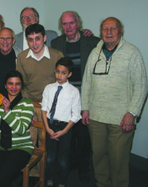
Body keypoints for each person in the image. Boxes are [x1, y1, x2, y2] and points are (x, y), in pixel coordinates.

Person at [81, 17, 148, 187]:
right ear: (100, 32)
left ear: (121, 30)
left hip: (121, 119)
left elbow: (141, 86)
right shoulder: (94, 53)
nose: (109, 32)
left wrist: (132, 113)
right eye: (105, 29)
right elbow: (86, 82)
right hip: (96, 118)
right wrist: (85, 108)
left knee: (118, 162)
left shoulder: (132, 52)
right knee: (98, 159)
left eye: (113, 29)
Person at [51, 11, 100, 183]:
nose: (68, 27)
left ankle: (84, 168)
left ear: (78, 23)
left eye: (71, 23)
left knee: (84, 137)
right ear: (61, 26)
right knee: (68, 136)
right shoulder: (56, 43)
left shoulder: (92, 42)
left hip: (85, 99)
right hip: (66, 99)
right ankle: (70, 164)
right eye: (64, 24)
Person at [16, 23, 63, 178]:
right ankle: (31, 176)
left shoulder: (57, 55)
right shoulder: (22, 57)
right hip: (31, 104)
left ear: (44, 38)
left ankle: (48, 176)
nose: (34, 43)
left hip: (51, 107)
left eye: (37, 39)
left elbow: (62, 84)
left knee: (49, 145)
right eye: (30, 40)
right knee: (30, 143)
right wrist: (28, 108)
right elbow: (20, 85)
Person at [0, 70, 34, 187]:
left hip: (21, 147)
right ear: (5, 85)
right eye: (10, 83)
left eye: (17, 84)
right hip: (0, 146)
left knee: (3, 176)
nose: (14, 87)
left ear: (21, 86)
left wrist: (7, 112)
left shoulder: (27, 104)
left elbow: (21, 130)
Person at [42, 57, 81, 187]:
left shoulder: (74, 92)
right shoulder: (48, 88)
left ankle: (62, 183)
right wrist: (47, 128)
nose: (59, 75)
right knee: (49, 158)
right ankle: (49, 180)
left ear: (69, 74)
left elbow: (76, 115)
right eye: (57, 71)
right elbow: (44, 110)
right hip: (50, 126)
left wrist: (64, 131)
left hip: (65, 128)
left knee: (63, 159)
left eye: (63, 73)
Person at [14, 7, 93, 50]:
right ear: (21, 21)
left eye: (31, 16)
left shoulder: (52, 35)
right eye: (24, 18)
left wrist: (83, 32)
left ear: (37, 19)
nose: (28, 20)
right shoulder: (15, 40)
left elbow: (70, 36)